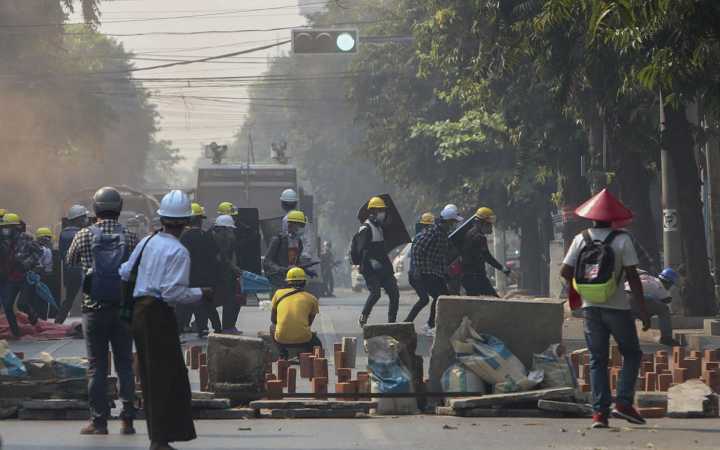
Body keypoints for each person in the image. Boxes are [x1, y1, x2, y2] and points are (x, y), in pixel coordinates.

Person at [120, 190, 212, 450]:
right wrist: (201, 293)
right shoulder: (179, 251)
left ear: (162, 219)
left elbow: (125, 271)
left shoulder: (147, 241)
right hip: (158, 314)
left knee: (151, 377)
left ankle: (158, 437)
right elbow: (173, 292)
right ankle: (160, 440)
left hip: (139, 311)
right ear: (186, 222)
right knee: (166, 377)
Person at [560, 188, 650, 429]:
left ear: (591, 217)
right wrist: (642, 309)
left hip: (591, 308)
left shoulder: (581, 238)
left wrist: (576, 290)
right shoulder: (623, 240)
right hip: (617, 307)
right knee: (631, 353)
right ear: (614, 218)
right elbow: (633, 277)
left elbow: (565, 271)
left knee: (597, 359)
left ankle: (599, 414)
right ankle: (623, 402)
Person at [66, 187, 137, 436]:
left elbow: (69, 260)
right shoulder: (129, 235)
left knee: (97, 366)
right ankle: (128, 420)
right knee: (125, 363)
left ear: (95, 208)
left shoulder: (84, 234)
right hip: (122, 310)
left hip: (93, 310)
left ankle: (99, 422)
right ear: (118, 208)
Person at [405, 207, 460, 335]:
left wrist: (445, 272)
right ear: (447, 221)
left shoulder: (442, 234)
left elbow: (439, 255)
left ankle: (431, 324)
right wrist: (417, 269)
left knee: (443, 297)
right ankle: (429, 325)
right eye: (453, 222)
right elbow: (418, 249)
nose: (454, 225)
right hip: (426, 272)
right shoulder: (433, 232)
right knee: (439, 297)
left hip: (434, 272)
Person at [178, 203, 221, 338]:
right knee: (207, 303)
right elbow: (216, 256)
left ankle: (182, 328)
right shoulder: (207, 236)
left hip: (190, 276)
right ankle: (212, 328)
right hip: (207, 277)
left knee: (186, 303)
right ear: (199, 220)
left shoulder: (184, 237)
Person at [356, 196, 400, 327]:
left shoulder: (381, 227)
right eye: (379, 210)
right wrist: (371, 261)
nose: (382, 213)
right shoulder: (365, 228)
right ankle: (364, 315)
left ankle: (392, 322)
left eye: (383, 210)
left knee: (394, 293)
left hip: (384, 267)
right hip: (370, 268)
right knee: (376, 293)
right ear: (372, 212)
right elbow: (361, 249)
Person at [0, 213, 44, 337]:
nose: (5, 229)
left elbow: (39, 251)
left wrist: (27, 263)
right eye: (4, 227)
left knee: (22, 304)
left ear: (16, 227)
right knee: (8, 305)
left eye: (8, 227)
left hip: (25, 277)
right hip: (11, 278)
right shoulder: (4, 241)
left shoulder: (26, 238)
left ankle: (34, 319)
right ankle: (16, 333)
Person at [270, 267, 322, 359]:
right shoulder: (312, 298)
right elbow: (309, 323)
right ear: (304, 282)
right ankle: (312, 358)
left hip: (281, 338)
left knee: (272, 327)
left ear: (287, 282)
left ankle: (282, 353)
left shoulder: (278, 294)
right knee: (317, 343)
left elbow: (273, 320)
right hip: (304, 339)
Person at [460, 207, 510, 297]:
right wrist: (503, 269)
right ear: (480, 223)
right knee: (494, 302)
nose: (490, 227)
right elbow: (487, 257)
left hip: (468, 277)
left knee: (475, 305)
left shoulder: (470, 233)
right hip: (476, 277)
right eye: (488, 224)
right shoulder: (479, 237)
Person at [626, 268, 680, 347]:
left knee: (632, 314)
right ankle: (666, 338)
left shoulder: (650, 278)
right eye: (671, 284)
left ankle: (628, 338)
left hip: (624, 296)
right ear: (669, 282)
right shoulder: (660, 286)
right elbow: (665, 301)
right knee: (664, 310)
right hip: (634, 296)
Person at [56, 205, 89, 324]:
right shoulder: (81, 233)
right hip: (81, 269)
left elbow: (61, 254)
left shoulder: (63, 233)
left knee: (69, 299)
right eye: (84, 217)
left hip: (69, 270)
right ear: (78, 218)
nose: (86, 220)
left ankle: (58, 322)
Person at [211, 215, 243, 334]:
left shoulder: (228, 238)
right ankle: (226, 327)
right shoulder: (215, 239)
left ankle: (228, 326)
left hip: (228, 275)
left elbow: (230, 255)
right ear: (222, 229)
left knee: (232, 300)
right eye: (229, 229)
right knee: (226, 300)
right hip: (219, 275)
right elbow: (222, 258)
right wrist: (234, 268)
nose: (231, 232)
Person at [264, 210, 308, 290]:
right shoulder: (277, 240)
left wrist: (305, 269)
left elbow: (296, 261)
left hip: (292, 280)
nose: (298, 228)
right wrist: (280, 269)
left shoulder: (299, 242)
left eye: (300, 225)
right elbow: (267, 261)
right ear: (288, 225)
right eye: (297, 225)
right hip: (278, 280)